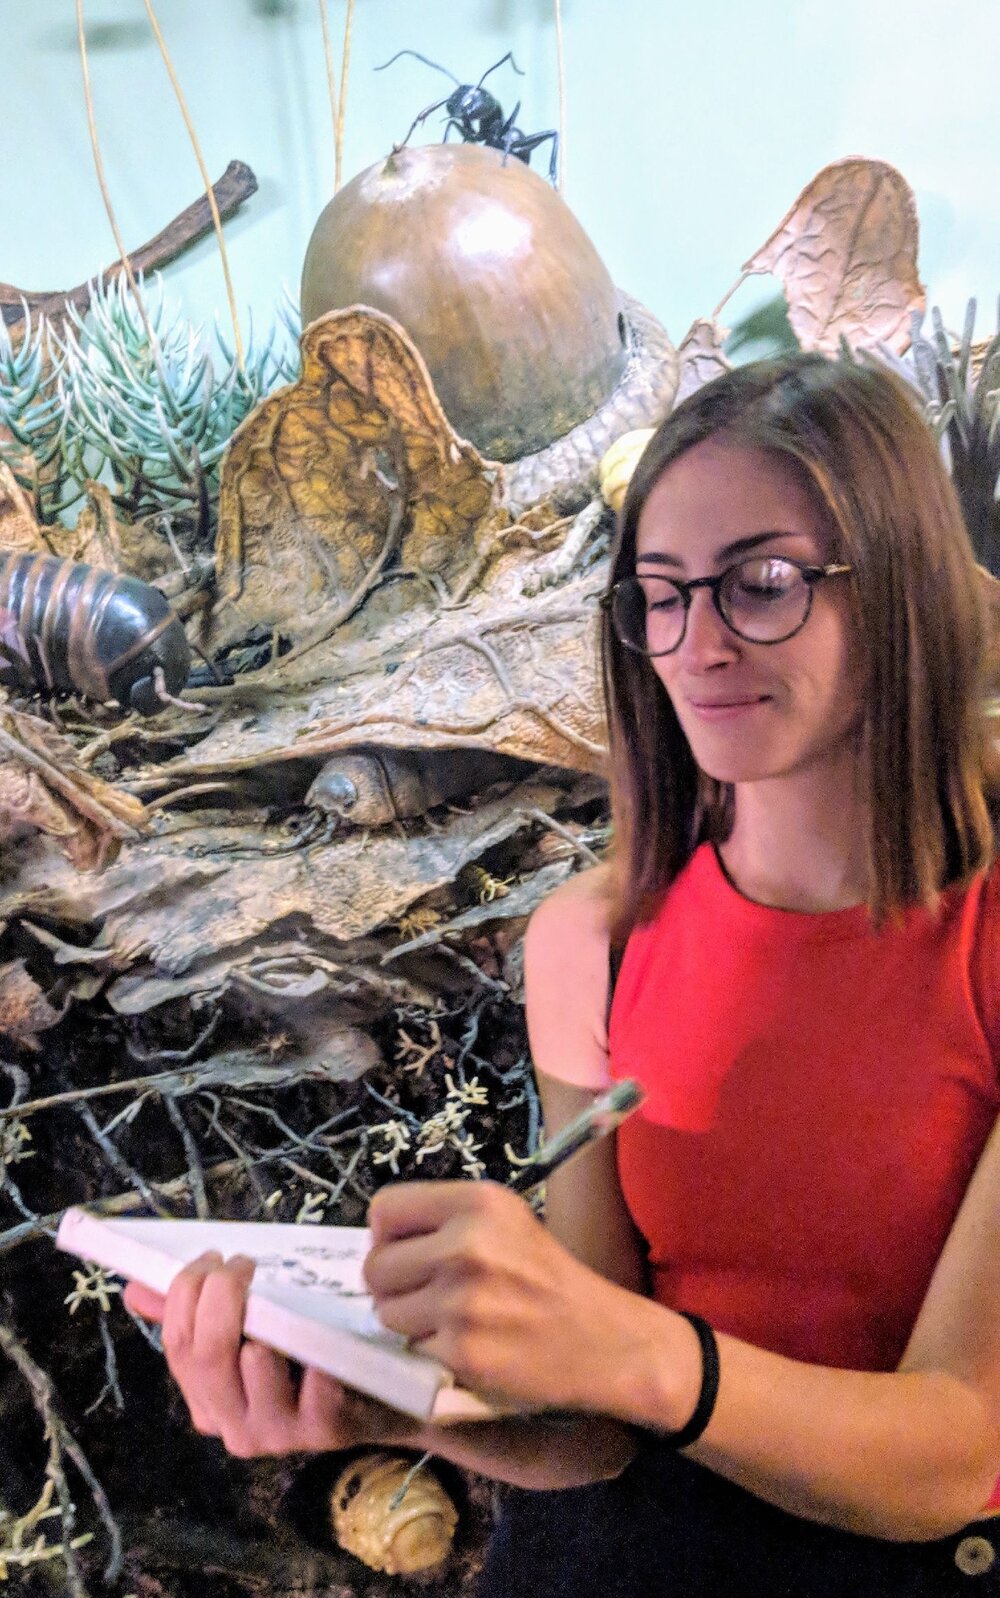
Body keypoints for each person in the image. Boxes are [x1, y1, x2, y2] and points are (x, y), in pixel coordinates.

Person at [126, 353, 1000, 1596]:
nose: (695, 643)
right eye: (658, 594)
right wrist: (396, 1408)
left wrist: (631, 1351)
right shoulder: (590, 940)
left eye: (760, 584)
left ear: (904, 585)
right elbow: (590, 1432)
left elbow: (959, 1452)